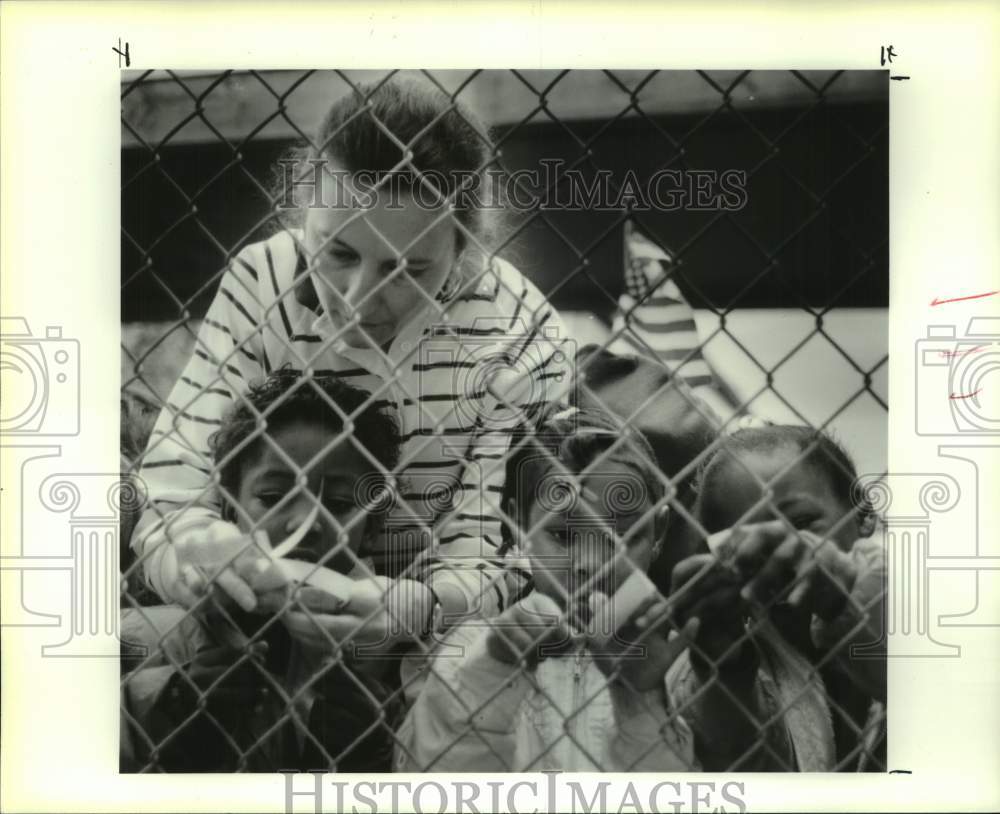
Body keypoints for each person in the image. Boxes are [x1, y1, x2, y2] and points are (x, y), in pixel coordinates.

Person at [130, 78, 572, 643]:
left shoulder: (521, 333)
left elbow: (503, 548)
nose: (360, 296)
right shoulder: (261, 279)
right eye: (337, 251)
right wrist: (194, 555)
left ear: (465, 249)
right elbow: (174, 485)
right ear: (304, 208)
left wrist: (416, 608)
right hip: (257, 601)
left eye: (408, 269)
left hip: (440, 624)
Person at [121, 370, 404, 772]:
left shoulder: (396, 659)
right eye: (273, 496)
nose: (303, 522)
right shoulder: (147, 643)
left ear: (372, 528)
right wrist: (172, 715)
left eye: (339, 502)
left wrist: (366, 753)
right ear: (230, 509)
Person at [395, 407, 699, 772]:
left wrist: (641, 702)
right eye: (564, 535)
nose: (592, 564)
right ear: (519, 524)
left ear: (659, 533)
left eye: (620, 536)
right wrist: (488, 674)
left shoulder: (679, 663)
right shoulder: (467, 652)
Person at [666, 425, 887, 771]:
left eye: (800, 522)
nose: (778, 547)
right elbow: (742, 769)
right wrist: (726, 671)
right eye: (746, 539)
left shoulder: (914, 601)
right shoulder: (702, 659)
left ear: (863, 511)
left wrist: (842, 603)